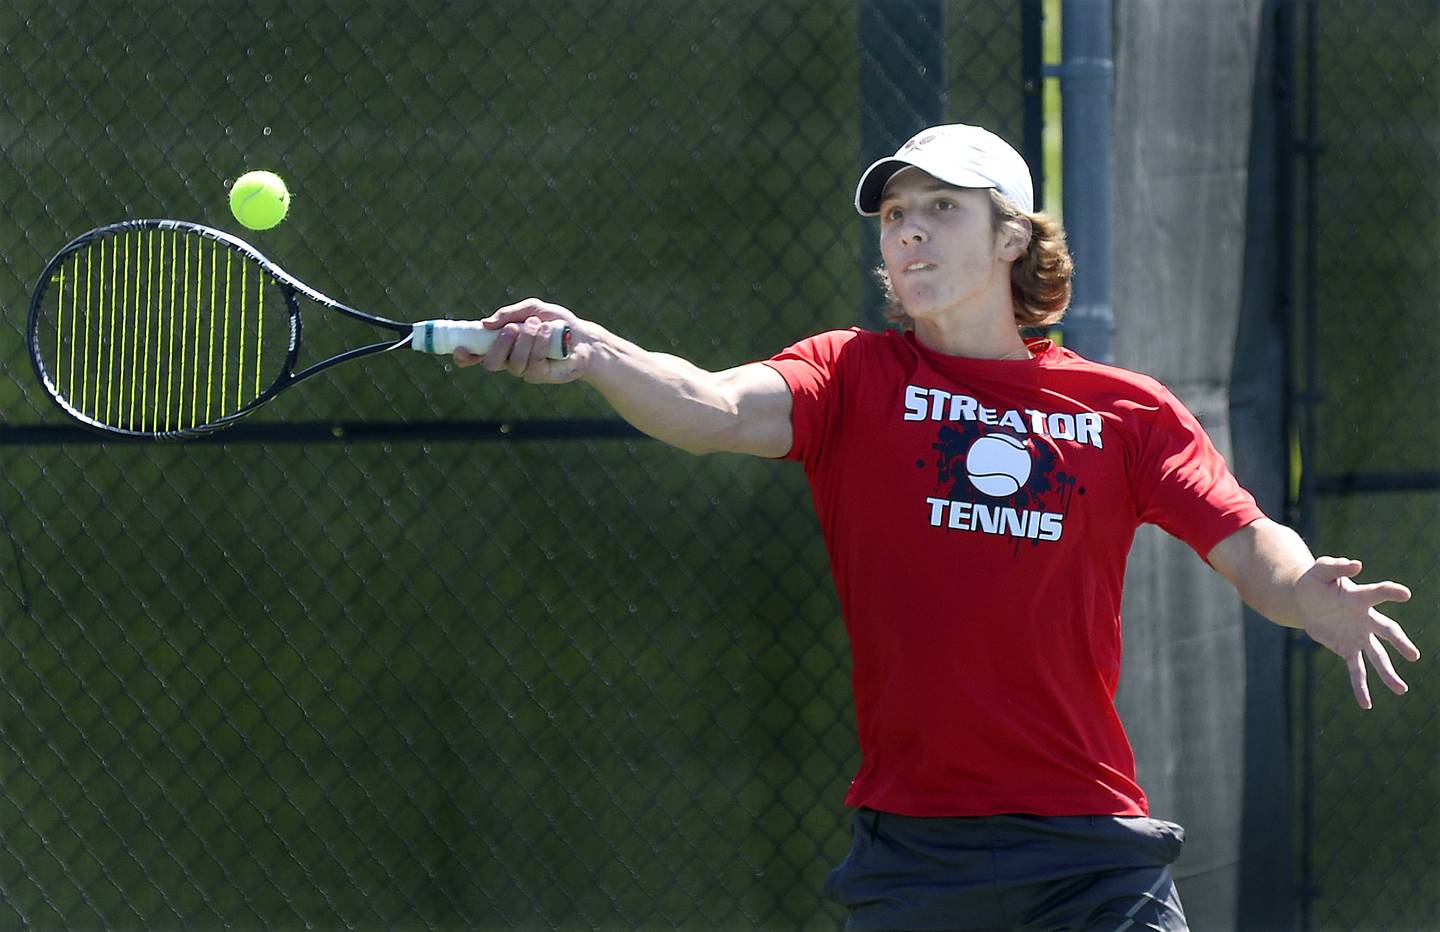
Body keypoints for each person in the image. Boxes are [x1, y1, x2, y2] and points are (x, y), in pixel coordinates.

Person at [454, 124, 1420, 930]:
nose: (908, 233)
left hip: (1089, 853)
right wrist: (595, 353)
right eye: (894, 216)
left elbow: (1245, 535)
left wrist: (1304, 592)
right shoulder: (849, 377)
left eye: (941, 209)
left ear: (1011, 239)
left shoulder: (1124, 411)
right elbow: (709, 406)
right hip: (917, 857)